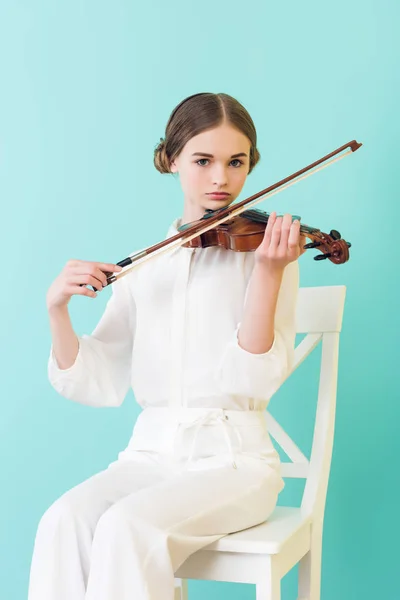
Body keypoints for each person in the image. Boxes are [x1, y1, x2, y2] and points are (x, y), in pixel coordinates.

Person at [28, 92, 306, 600]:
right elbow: (98, 375)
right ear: (173, 159)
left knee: (126, 528)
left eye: (235, 162)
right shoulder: (145, 265)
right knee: (62, 520)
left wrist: (268, 272)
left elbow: (253, 380)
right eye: (203, 161)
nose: (221, 178)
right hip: (149, 457)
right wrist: (57, 311)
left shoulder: (268, 255)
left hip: (234, 463)